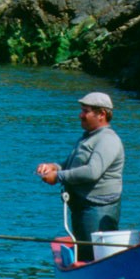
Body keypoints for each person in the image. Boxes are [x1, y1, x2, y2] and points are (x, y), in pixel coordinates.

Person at [37, 92, 124, 262]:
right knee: (85, 254)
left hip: (97, 210)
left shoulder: (108, 140)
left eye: (86, 111)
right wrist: (53, 166)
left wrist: (58, 177)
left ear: (102, 114)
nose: (80, 115)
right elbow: (72, 165)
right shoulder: (89, 137)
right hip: (83, 208)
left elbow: (92, 172)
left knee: (95, 258)